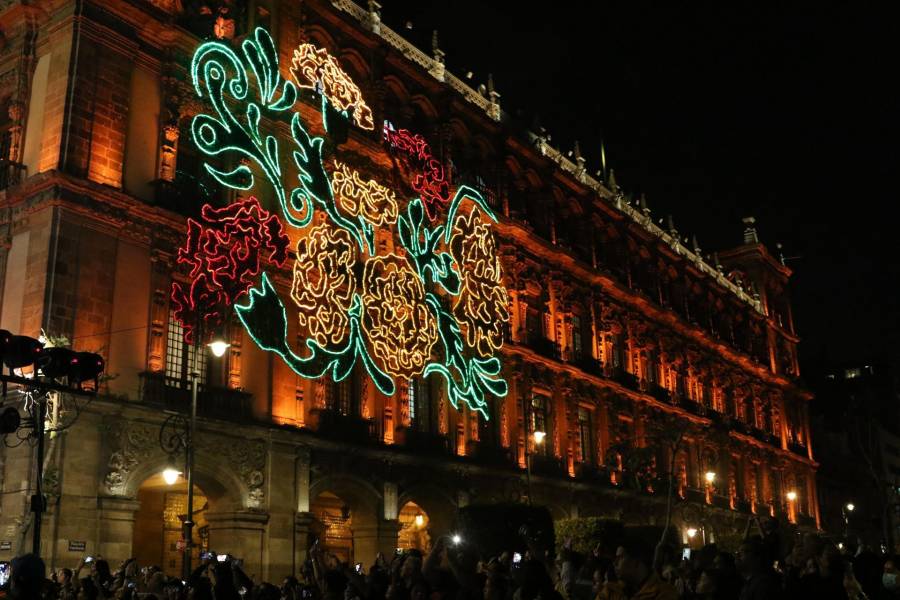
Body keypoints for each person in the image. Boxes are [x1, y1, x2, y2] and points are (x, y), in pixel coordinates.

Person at [601, 538, 676, 600]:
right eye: (616, 558)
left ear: (637, 561)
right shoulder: (610, 591)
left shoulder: (664, 593)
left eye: (621, 558)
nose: (615, 563)